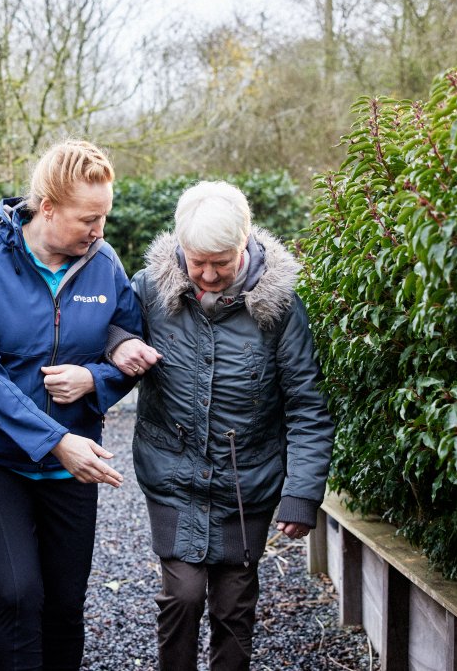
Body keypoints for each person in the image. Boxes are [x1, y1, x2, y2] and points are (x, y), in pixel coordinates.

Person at [109, 180, 335, 671]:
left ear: (245, 244)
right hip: (173, 475)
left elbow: (306, 405)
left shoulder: (281, 308)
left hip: (246, 483)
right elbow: (109, 329)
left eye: (222, 261)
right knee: (184, 596)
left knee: (234, 606)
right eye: (197, 261)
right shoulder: (148, 289)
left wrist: (301, 493)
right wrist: (118, 344)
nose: (208, 275)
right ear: (179, 249)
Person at [0, 139, 142, 670]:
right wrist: (56, 441)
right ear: (46, 207)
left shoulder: (105, 264)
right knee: (16, 594)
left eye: (104, 217)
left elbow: (129, 347)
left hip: (71, 466)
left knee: (64, 605)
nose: (99, 231)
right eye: (87, 219)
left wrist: (93, 380)